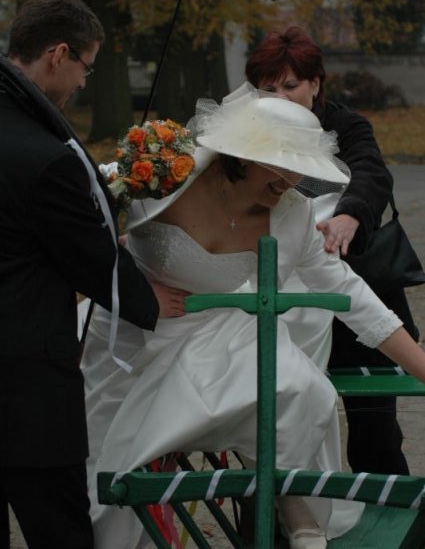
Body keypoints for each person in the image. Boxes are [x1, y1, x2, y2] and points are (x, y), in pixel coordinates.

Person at [81, 83, 425, 549]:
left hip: (216, 335)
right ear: (242, 155)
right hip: (132, 336)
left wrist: (421, 366)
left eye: (300, 168)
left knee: (300, 390)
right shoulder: (167, 172)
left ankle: (294, 508)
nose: (290, 181)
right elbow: (76, 225)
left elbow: (351, 293)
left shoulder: (293, 215)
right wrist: (131, 286)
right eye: (280, 165)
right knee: (105, 488)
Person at [0, 0, 169, 549]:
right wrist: (151, 301)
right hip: (26, 391)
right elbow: (94, 261)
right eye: (85, 67)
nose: (82, 82)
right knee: (62, 533)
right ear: (58, 54)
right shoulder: (47, 158)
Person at [245, 26, 420, 475]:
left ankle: (390, 506)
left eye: (291, 86)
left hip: (352, 284)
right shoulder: (243, 133)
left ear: (315, 84)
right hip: (281, 297)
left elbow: (371, 171)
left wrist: (351, 214)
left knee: (375, 434)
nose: (280, 99)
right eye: (268, 89)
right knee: (273, 427)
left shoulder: (347, 125)